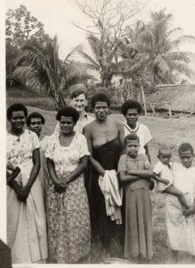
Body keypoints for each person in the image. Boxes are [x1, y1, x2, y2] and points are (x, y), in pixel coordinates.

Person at [45, 106, 91, 263]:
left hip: (75, 184)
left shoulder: (80, 139)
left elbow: (84, 163)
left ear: (74, 123)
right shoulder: (52, 139)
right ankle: (58, 254)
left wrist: (67, 180)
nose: (65, 125)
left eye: (68, 123)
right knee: (56, 219)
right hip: (55, 185)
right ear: (59, 122)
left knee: (73, 218)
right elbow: (49, 162)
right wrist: (56, 180)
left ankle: (76, 254)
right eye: (62, 122)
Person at [83, 92, 125, 257]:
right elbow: (88, 155)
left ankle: (121, 243)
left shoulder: (118, 125)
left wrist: (119, 172)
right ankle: (106, 246)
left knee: (120, 204)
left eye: (104, 107)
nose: (101, 110)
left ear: (109, 109)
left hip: (118, 171)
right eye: (97, 107)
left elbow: (124, 149)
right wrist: (105, 174)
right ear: (92, 109)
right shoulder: (88, 129)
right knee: (102, 208)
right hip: (99, 174)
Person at [6, 103, 48, 263]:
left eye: (21, 117)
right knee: (13, 220)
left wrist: (28, 187)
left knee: (35, 217)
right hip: (11, 184)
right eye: (15, 117)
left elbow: (37, 162)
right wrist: (17, 188)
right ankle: (17, 258)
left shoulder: (32, 136)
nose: (19, 120)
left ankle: (36, 259)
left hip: (31, 182)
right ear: (9, 119)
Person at [163, 143, 195, 263]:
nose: (185, 160)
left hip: (190, 204)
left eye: (188, 157)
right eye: (183, 157)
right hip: (174, 204)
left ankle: (194, 256)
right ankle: (175, 255)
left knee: (191, 229)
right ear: (179, 156)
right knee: (174, 229)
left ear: (193, 155)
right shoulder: (174, 168)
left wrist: (193, 207)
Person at [118, 133, 154, 262]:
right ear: (126, 147)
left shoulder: (143, 157)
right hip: (132, 195)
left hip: (144, 195)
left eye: (135, 145)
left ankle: (146, 253)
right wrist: (142, 175)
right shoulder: (123, 158)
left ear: (139, 146)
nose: (133, 148)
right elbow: (123, 178)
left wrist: (132, 172)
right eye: (130, 146)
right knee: (133, 222)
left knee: (145, 221)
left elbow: (150, 173)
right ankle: (134, 252)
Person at [26, 112, 49, 195]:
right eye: (33, 123)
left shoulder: (48, 140)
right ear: (28, 125)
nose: (36, 125)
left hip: (44, 175)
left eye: (39, 123)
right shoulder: (25, 141)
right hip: (29, 175)